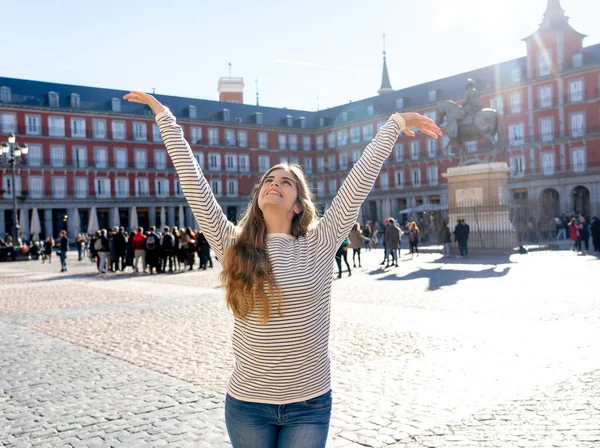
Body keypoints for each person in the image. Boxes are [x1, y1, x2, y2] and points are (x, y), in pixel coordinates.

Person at [124, 89, 441, 447]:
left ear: (296, 205)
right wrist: (164, 116)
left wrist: (394, 125)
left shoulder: (319, 245)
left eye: (285, 182)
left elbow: (356, 184)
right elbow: (194, 182)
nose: (274, 184)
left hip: (309, 403)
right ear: (260, 198)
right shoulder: (233, 244)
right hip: (247, 404)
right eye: (269, 180)